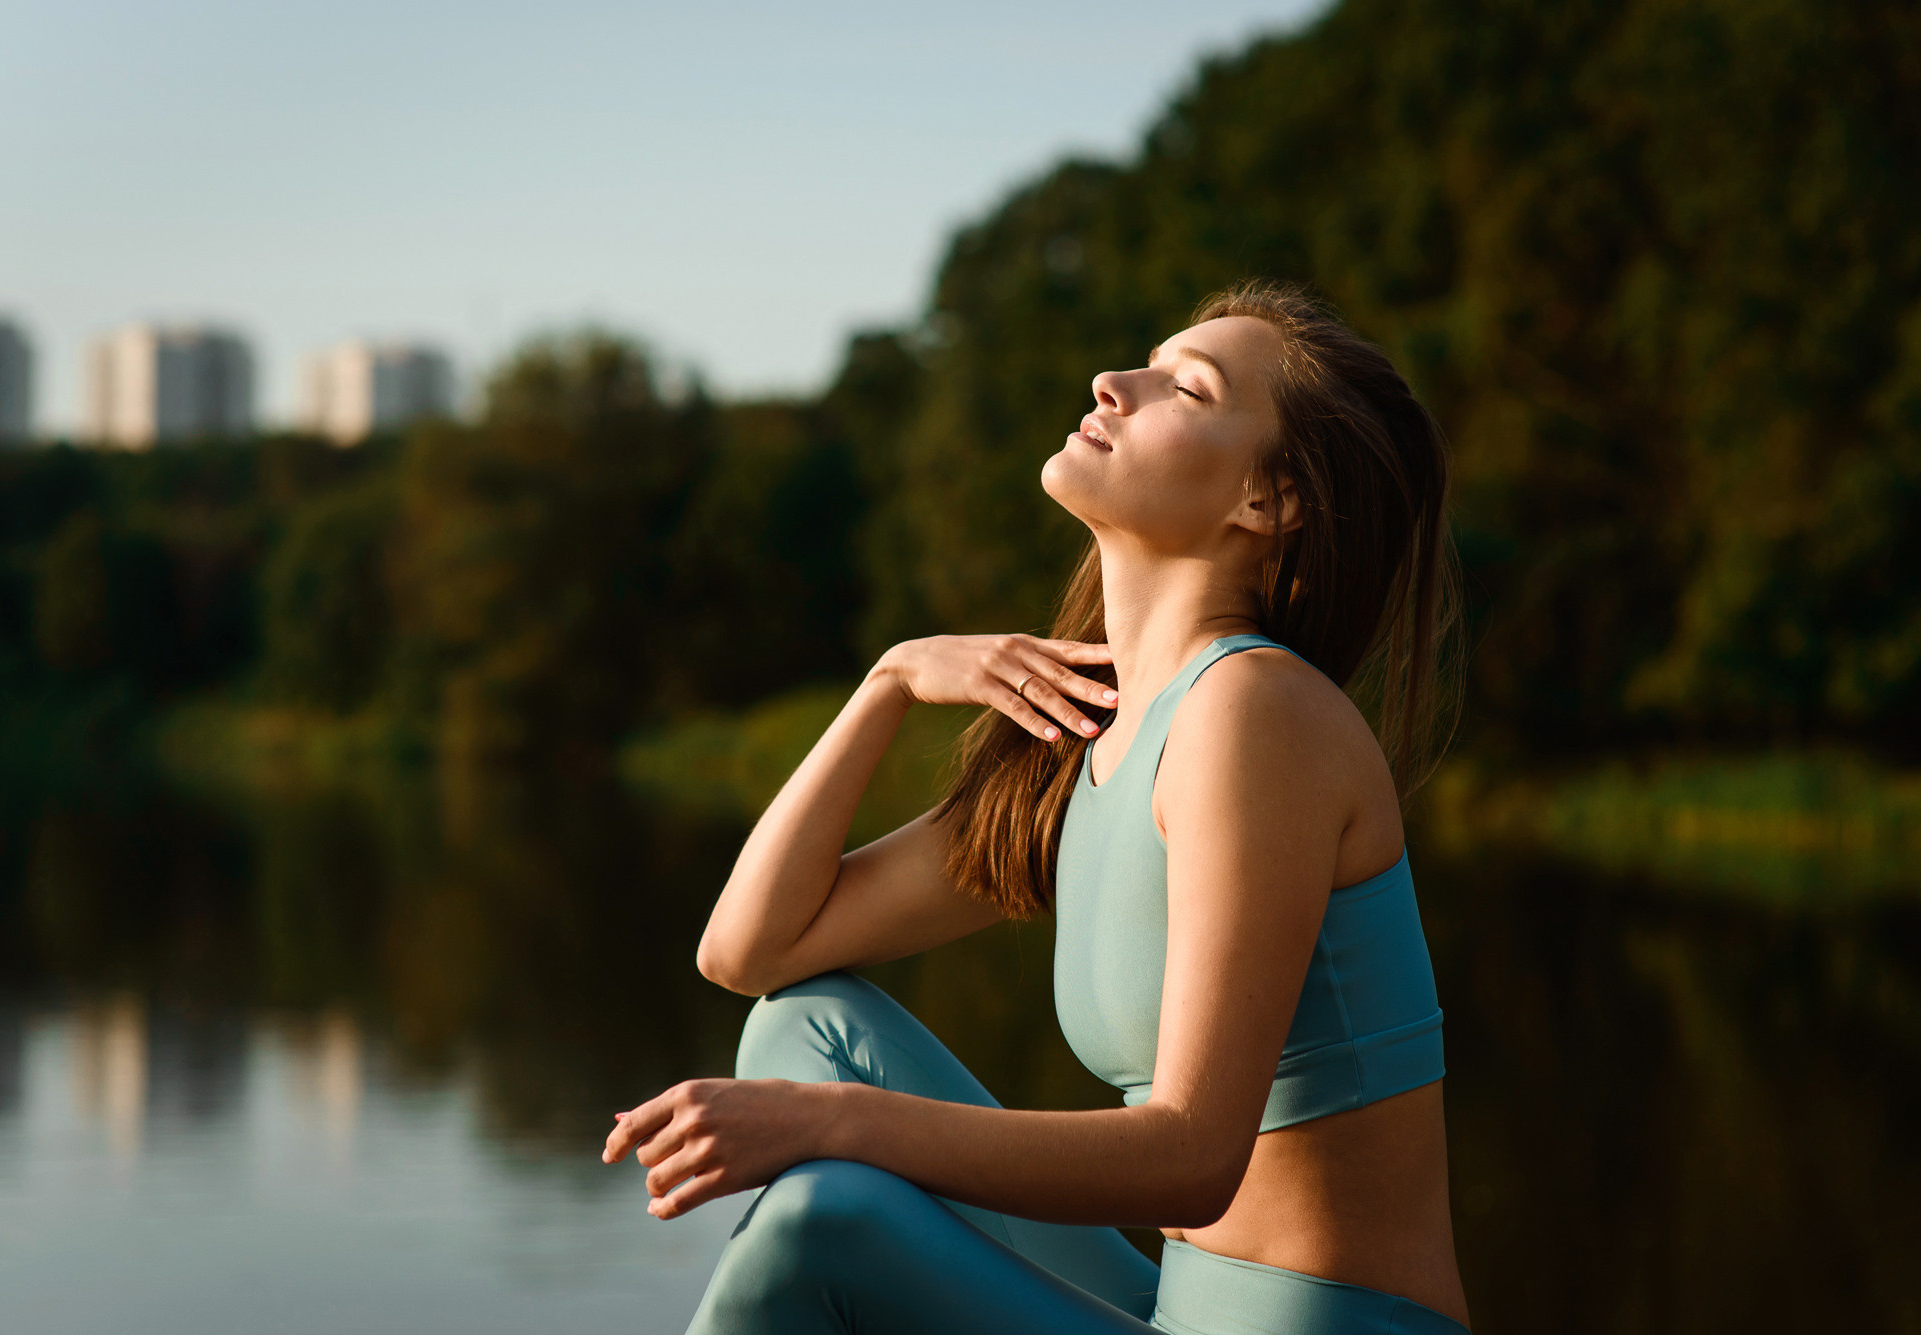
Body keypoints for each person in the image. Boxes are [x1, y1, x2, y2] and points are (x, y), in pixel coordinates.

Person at [602, 280, 1470, 1334]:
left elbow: (1191, 1158)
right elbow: (751, 954)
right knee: (804, 1030)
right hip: (1175, 1307)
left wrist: (825, 1127)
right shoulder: (1094, 735)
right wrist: (887, 680)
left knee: (820, 1219)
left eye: (1182, 388)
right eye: (1143, 362)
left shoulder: (1254, 710)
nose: (1113, 383)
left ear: (1265, 500)